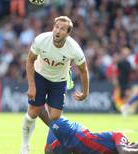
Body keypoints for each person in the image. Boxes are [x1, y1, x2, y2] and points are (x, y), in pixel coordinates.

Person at [20, 16, 89, 154]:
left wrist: (85, 92)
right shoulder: (41, 40)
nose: (57, 31)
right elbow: (29, 61)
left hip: (59, 81)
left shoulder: (74, 48)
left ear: (68, 33)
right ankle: (24, 146)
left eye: (62, 29)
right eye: (56, 27)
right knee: (33, 112)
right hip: (40, 76)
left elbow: (83, 70)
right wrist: (32, 86)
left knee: (55, 118)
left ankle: (66, 134)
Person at [41, 113, 138, 154]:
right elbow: (125, 152)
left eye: (136, 145)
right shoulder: (121, 136)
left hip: (75, 145)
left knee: (49, 150)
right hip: (78, 135)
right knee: (47, 116)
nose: (133, 145)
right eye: (134, 144)